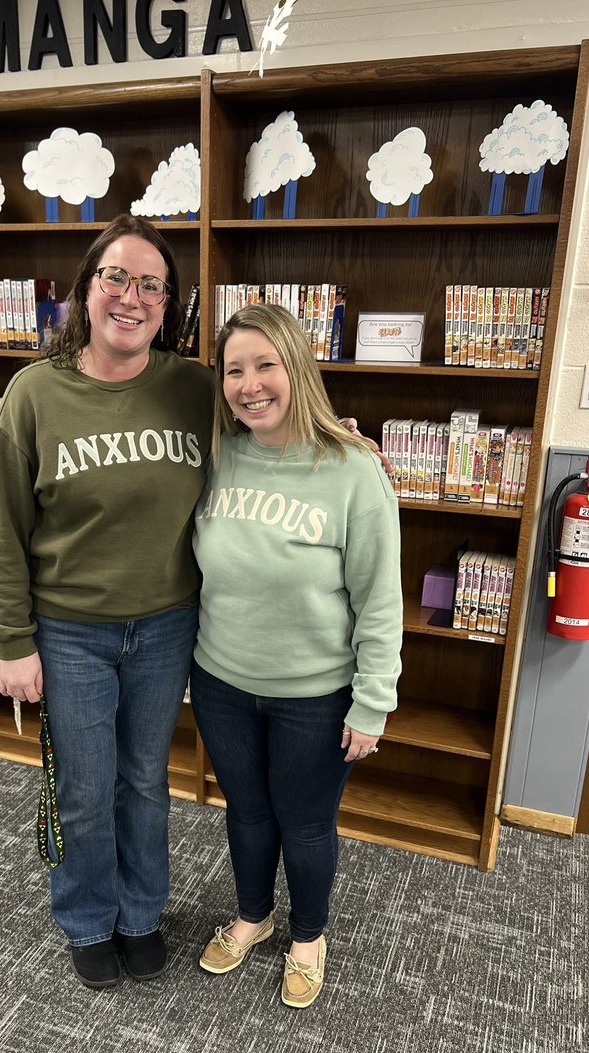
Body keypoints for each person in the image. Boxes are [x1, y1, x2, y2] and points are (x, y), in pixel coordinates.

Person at [0, 215, 214, 990]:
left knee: (143, 781)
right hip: (69, 630)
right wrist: (11, 642)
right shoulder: (35, 393)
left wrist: (338, 441)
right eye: (116, 277)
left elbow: (272, 431)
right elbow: (0, 530)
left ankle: (140, 913)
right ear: (86, 289)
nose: (131, 297)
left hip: (167, 625)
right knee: (83, 787)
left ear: (168, 304)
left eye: (151, 285)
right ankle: (85, 917)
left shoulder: (194, 388)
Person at [190, 303, 403, 1009]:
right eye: (234, 370)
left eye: (266, 365)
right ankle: (254, 916)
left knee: (305, 822)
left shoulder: (353, 470)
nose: (249, 385)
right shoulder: (215, 454)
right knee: (247, 812)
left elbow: (380, 600)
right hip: (220, 680)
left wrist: (373, 704)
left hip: (317, 695)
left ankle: (309, 937)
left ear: (298, 369)